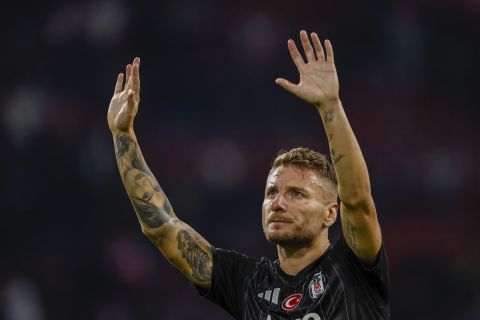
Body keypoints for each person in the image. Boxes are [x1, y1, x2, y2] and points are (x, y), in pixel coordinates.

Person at [107, 30, 389, 320]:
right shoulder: (247, 282)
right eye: (271, 193)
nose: (278, 203)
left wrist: (330, 107)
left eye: (297, 194)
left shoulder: (353, 268)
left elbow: (357, 200)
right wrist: (122, 135)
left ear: (331, 214)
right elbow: (162, 228)